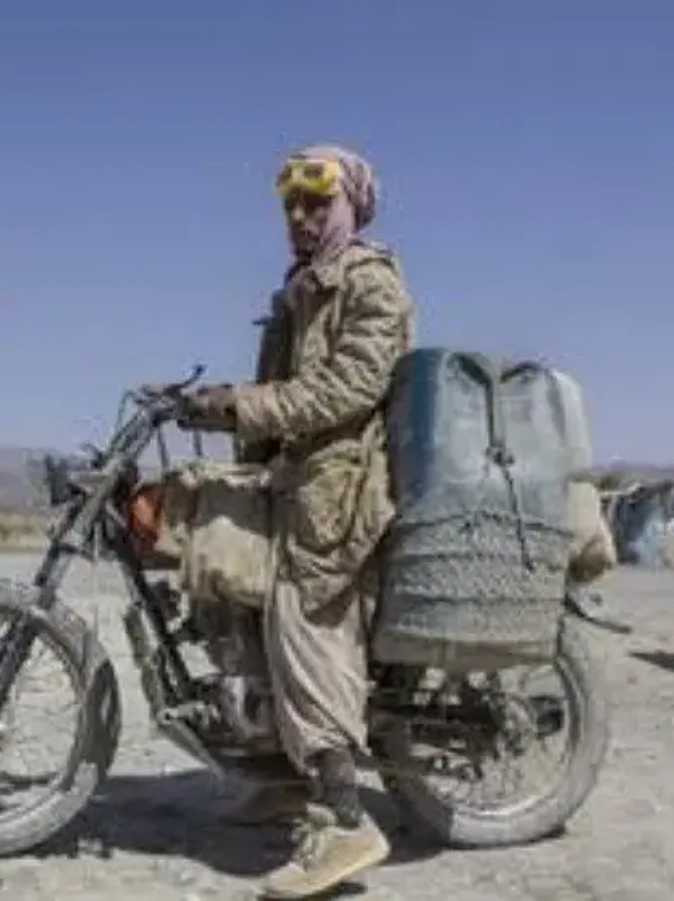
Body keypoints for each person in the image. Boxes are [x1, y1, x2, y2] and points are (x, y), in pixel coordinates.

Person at [179, 144, 415, 899]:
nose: (302, 217)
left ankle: (345, 818)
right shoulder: (299, 289)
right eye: (293, 205)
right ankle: (282, 772)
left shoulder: (371, 283)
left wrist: (241, 406)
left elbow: (346, 389)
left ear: (352, 206)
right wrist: (212, 406)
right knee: (227, 589)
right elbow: (279, 392)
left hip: (341, 490)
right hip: (295, 478)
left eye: (318, 203)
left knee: (302, 622)